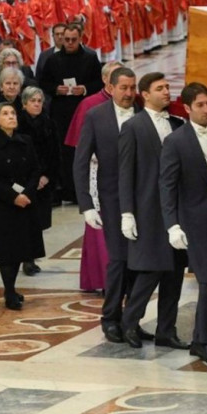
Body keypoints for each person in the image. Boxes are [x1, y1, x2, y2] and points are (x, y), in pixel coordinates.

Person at [158, 81, 207, 366]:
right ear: (187, 108)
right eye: (200, 105)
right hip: (197, 222)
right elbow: (167, 185)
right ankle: (204, 341)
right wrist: (172, 225)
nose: (206, 110)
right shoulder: (176, 141)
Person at [118, 72, 189, 349]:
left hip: (176, 210)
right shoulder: (133, 126)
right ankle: (129, 323)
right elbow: (126, 173)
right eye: (160, 88)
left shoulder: (177, 123)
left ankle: (166, 330)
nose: (166, 92)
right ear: (145, 94)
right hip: (148, 209)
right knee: (150, 271)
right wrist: (127, 212)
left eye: (168, 87)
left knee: (174, 272)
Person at [74, 66, 138, 341]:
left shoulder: (143, 114)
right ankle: (110, 316)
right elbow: (81, 161)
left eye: (132, 88)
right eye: (123, 88)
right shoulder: (95, 116)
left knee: (139, 261)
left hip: (142, 198)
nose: (129, 93)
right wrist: (87, 205)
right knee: (118, 260)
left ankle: (132, 318)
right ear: (111, 88)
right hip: (110, 198)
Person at [0, 101, 45, 310]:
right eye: (6, 114)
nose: (11, 116)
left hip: (25, 202)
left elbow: (35, 170)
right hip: (4, 205)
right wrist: (12, 197)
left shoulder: (25, 141)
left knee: (21, 248)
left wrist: (27, 192)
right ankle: (9, 291)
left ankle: (13, 287)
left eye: (13, 113)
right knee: (7, 251)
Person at [40, 23, 103, 202]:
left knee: (83, 149)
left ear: (80, 38)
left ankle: (83, 189)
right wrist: (55, 89)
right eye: (66, 40)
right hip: (61, 111)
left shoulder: (90, 58)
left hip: (84, 109)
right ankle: (66, 187)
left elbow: (98, 82)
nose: (69, 43)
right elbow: (44, 82)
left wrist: (84, 89)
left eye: (73, 40)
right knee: (63, 150)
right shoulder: (53, 59)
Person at [17, 86, 58, 274]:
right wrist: (33, 179)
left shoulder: (49, 123)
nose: (36, 104)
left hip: (43, 181)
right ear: (24, 104)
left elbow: (54, 153)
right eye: (32, 101)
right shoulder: (17, 125)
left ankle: (32, 257)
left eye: (39, 101)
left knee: (38, 223)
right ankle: (26, 258)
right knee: (24, 222)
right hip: (24, 181)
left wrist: (46, 176)